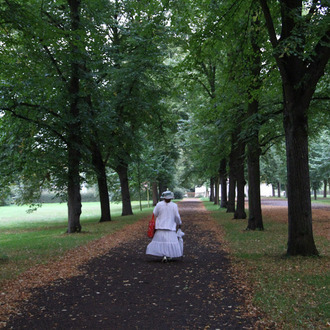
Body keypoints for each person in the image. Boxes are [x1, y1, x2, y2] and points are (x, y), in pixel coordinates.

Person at [146, 190, 183, 262]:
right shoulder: (174, 205)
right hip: (170, 227)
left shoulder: (159, 204)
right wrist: (179, 223)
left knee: (161, 241)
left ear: (163, 197)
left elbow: (155, 214)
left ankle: (164, 255)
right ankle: (168, 255)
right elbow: (177, 216)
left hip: (160, 226)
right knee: (170, 241)